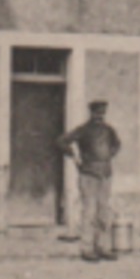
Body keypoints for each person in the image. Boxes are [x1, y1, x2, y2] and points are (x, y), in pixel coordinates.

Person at [56, 101, 123, 262]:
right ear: (91, 113)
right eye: (97, 114)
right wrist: (74, 156)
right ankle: (87, 249)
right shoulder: (83, 130)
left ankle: (103, 247)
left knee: (104, 212)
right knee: (89, 212)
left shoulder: (109, 130)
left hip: (105, 175)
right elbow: (61, 141)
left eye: (102, 114)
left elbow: (117, 145)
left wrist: (108, 156)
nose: (99, 117)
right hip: (88, 175)